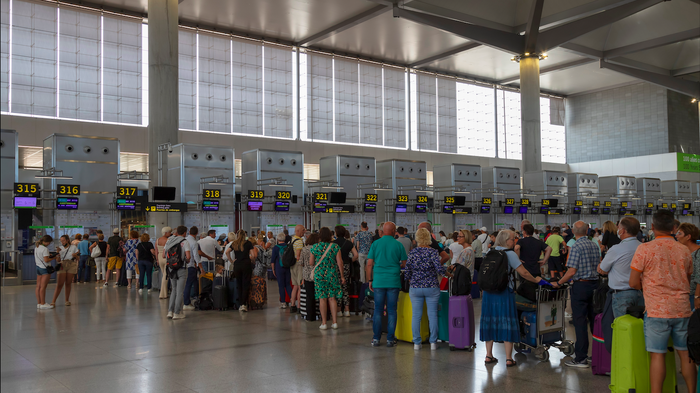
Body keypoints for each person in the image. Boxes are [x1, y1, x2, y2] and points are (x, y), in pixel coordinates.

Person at [630, 211, 696, 392]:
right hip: (682, 309)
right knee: (686, 354)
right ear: (674, 229)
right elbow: (687, 280)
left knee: (657, 356)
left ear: (652, 227)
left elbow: (633, 282)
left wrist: (649, 287)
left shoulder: (644, 249)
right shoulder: (684, 250)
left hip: (656, 311)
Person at [481, 230, 543, 367]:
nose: (514, 241)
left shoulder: (491, 252)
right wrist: (536, 280)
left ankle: (488, 355)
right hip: (504, 293)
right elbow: (524, 273)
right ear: (505, 240)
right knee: (507, 321)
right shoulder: (510, 254)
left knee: (489, 321)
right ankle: (509, 358)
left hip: (488, 293)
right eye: (512, 239)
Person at [554, 221, 600, 368]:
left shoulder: (576, 246)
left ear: (573, 232)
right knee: (594, 321)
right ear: (587, 231)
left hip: (581, 285)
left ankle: (581, 358)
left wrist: (559, 282)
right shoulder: (594, 244)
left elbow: (572, 271)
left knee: (580, 321)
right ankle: (597, 355)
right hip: (595, 285)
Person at [404, 228, 447, 350]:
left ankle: (417, 343)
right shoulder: (433, 252)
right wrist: (448, 271)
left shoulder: (412, 253)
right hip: (432, 287)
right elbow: (439, 269)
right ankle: (433, 342)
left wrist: (410, 279)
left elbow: (407, 271)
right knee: (432, 315)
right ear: (429, 238)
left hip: (416, 287)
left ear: (417, 238)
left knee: (416, 316)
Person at [367, 222, 408, 347]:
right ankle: (390, 339)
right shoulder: (398, 244)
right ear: (394, 231)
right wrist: (396, 265)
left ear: (383, 231)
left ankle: (376, 339)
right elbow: (405, 264)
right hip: (393, 282)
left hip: (378, 281)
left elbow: (369, 264)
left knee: (378, 310)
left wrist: (370, 280)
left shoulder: (375, 244)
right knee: (392, 310)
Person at [597, 217, 644, 318]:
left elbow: (602, 269)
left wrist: (604, 268)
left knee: (622, 327)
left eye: (618, 228)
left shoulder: (616, 249)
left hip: (621, 295)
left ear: (622, 231)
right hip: (640, 293)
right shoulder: (643, 247)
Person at [309, 227, 345, 330]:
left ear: (319, 235)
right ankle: (334, 322)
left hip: (319, 275)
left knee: (322, 298)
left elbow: (311, 263)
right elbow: (340, 263)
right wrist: (342, 276)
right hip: (332, 275)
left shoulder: (315, 247)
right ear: (330, 235)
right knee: (332, 298)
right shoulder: (335, 246)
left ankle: (324, 323)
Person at [164, 226, 191, 320]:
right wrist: (186, 260)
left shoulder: (169, 240)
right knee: (180, 292)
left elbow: (164, 254)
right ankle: (177, 313)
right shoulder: (185, 242)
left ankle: (170, 312)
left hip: (171, 268)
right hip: (181, 268)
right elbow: (188, 256)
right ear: (184, 233)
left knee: (173, 290)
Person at [48, 235, 79, 307]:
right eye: (61, 241)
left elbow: (78, 258)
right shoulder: (60, 248)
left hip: (71, 264)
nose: (62, 242)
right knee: (59, 284)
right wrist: (58, 254)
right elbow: (58, 260)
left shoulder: (73, 247)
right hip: (62, 264)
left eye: (63, 240)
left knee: (68, 283)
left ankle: (67, 300)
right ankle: (53, 301)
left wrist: (75, 256)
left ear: (67, 240)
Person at [230, 230, 256, 312]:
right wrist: (252, 260)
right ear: (245, 235)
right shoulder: (248, 243)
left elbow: (227, 251)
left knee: (239, 284)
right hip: (246, 265)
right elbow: (253, 255)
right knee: (246, 284)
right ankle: (244, 304)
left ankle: (240, 304)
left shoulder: (234, 243)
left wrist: (231, 261)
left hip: (237, 265)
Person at [333, 225, 357, 317]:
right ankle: (347, 309)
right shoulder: (348, 243)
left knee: (337, 288)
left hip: (336, 266)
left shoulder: (333, 243)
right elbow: (355, 255)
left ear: (336, 233)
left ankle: (339, 310)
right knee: (345, 287)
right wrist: (350, 261)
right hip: (346, 266)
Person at [676, 223, 700, 310]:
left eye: (680, 233)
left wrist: (697, 297)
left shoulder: (698, 253)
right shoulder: (684, 252)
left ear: (688, 237)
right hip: (686, 294)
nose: (677, 236)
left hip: (694, 295)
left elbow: (699, 277)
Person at [300, 233, 320, 320]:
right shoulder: (319, 249)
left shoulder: (304, 249)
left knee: (309, 296)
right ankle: (322, 315)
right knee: (321, 296)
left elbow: (301, 263)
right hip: (319, 274)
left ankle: (310, 316)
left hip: (308, 275)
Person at [35, 235, 59, 309]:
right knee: (43, 287)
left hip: (38, 268)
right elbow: (46, 260)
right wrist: (54, 257)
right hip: (45, 269)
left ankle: (39, 303)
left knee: (38, 287)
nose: (49, 244)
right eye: (49, 242)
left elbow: (42, 257)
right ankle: (43, 303)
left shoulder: (37, 247)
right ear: (46, 242)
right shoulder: (45, 249)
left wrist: (49, 255)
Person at [271, 232, 293, 309]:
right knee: (288, 285)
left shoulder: (276, 248)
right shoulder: (288, 246)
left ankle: (283, 302)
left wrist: (273, 269)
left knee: (281, 285)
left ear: (277, 239)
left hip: (279, 268)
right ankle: (292, 301)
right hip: (287, 267)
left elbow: (273, 260)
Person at [249, 235, 269, 310]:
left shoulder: (254, 248)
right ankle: (262, 299)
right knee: (262, 283)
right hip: (263, 266)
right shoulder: (261, 247)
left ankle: (257, 299)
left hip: (258, 267)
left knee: (256, 283)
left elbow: (254, 256)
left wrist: (251, 259)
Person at [183, 226, 201, 311]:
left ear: (189, 232)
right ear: (197, 233)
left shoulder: (184, 240)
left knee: (192, 282)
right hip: (191, 265)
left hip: (183, 265)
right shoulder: (194, 242)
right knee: (188, 284)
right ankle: (186, 303)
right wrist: (200, 265)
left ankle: (195, 296)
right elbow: (196, 256)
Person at [289, 225, 306, 313]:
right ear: (298, 231)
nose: (304, 231)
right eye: (303, 230)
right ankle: (299, 306)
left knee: (295, 286)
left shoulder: (292, 240)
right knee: (300, 286)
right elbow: (298, 256)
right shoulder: (299, 241)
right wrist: (302, 264)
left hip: (292, 265)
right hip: (298, 265)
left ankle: (292, 305)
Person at [155, 227, 172, 299]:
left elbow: (156, 250)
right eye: (169, 232)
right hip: (166, 258)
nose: (170, 233)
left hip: (159, 258)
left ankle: (164, 293)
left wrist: (157, 260)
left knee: (164, 276)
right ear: (166, 233)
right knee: (166, 276)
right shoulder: (168, 240)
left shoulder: (157, 240)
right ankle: (163, 294)